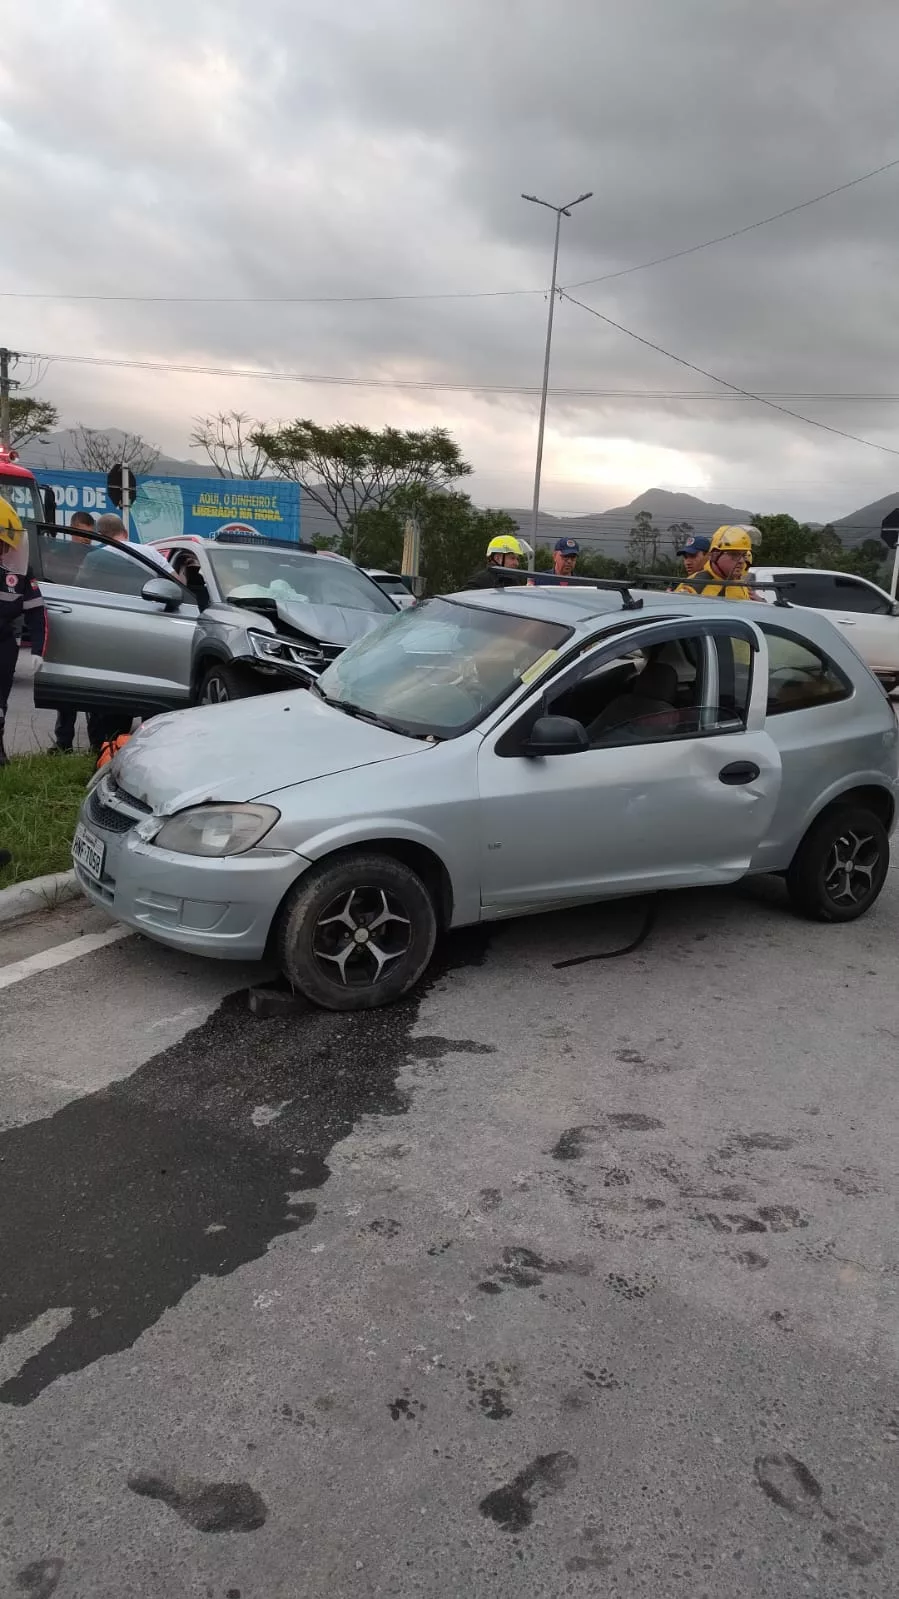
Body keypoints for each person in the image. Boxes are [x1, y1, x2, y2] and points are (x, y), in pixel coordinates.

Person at [0, 499, 46, 767]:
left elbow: (37, 612)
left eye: (6, 543)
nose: (5, 549)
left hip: (4, 644)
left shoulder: (18, 575)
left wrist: (38, 649)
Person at [674, 525, 759, 600]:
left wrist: (763, 604)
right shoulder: (696, 585)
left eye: (744, 555)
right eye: (734, 554)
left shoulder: (740, 583)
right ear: (714, 555)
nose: (741, 561)